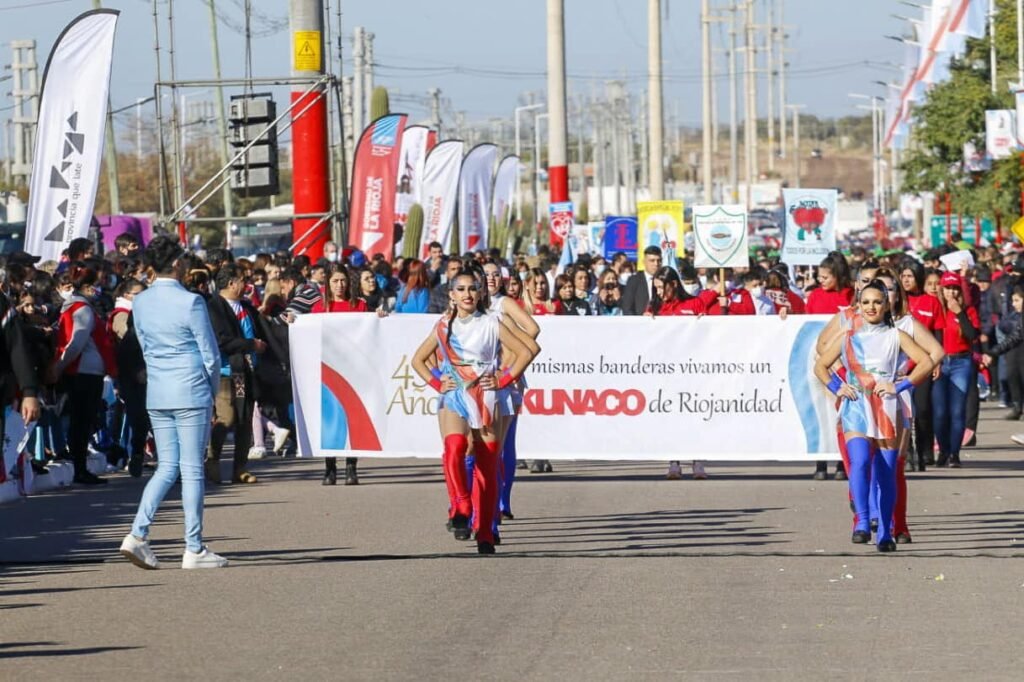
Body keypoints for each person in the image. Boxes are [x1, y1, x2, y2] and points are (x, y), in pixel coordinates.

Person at [119, 236, 227, 570]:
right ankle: (193, 547)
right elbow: (210, 354)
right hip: (190, 388)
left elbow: (144, 346)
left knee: (166, 467)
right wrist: (211, 391)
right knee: (192, 469)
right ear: (177, 264)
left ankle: (138, 533)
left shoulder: (140, 302)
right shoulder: (191, 301)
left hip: (159, 390)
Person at [411, 268, 533, 555]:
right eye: (461, 289)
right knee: (455, 447)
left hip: (486, 398)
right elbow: (418, 360)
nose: (467, 294)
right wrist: (437, 382)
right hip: (455, 396)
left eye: (472, 289)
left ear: (480, 294)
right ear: (451, 295)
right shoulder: (444, 325)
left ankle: (486, 531)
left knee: (487, 466)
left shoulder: (492, 323)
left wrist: (503, 379)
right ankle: (462, 504)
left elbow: (528, 351)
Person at [814, 279, 933, 552]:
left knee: (886, 472)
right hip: (856, 406)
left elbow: (927, 361)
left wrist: (899, 385)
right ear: (858, 305)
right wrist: (837, 387)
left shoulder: (896, 336)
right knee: (859, 462)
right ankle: (862, 521)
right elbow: (820, 366)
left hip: (886, 409)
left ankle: (885, 533)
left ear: (886, 305)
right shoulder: (847, 337)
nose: (871, 307)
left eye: (877, 302)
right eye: (866, 302)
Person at [205, 263, 267, 485]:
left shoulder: (247, 307)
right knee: (227, 416)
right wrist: (251, 345)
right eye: (243, 280)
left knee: (245, 419)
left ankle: (240, 468)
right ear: (232, 283)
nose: (247, 284)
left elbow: (264, 327)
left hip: (247, 371)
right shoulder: (214, 307)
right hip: (226, 371)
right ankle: (212, 460)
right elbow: (221, 340)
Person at [55, 262, 115, 485]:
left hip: (81, 371)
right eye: (96, 285)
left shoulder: (72, 307)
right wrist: (59, 367)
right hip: (84, 372)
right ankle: (80, 469)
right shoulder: (83, 309)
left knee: (80, 421)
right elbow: (76, 343)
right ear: (88, 287)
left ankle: (80, 467)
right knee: (82, 422)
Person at [312, 266, 366, 485]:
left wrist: (380, 317)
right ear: (328, 283)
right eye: (335, 281)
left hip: (353, 369)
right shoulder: (320, 307)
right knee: (329, 420)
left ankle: (351, 468)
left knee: (354, 418)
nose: (339, 285)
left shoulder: (359, 305)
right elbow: (310, 333)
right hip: (328, 370)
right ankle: (330, 468)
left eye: (343, 280)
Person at [807, 252, 855, 481]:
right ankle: (820, 462)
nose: (821, 280)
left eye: (826, 276)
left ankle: (841, 462)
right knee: (820, 411)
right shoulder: (814, 296)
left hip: (844, 362)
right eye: (819, 276)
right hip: (820, 361)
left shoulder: (850, 295)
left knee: (841, 411)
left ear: (838, 275)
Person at [933, 271, 979, 467]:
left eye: (954, 289)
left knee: (957, 411)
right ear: (941, 290)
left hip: (961, 362)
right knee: (940, 412)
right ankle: (943, 449)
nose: (951, 293)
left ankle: (954, 453)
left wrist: (960, 313)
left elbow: (972, 335)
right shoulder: (937, 309)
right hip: (940, 363)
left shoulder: (968, 310)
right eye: (947, 288)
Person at [621, 246, 662, 315]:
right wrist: (641, 319)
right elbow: (627, 308)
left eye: (659, 260)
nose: (656, 264)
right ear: (644, 262)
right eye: (652, 261)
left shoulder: (666, 280)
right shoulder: (634, 280)